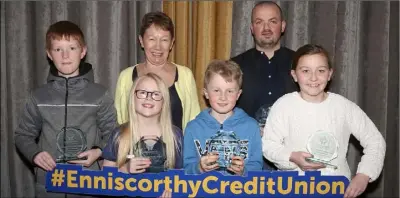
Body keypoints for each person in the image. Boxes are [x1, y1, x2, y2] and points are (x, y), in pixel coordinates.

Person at [262, 44, 386, 198]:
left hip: (335, 189)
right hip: (292, 189)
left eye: (321, 70)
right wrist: (292, 156)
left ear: (330, 74)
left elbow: (375, 141)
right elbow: (268, 145)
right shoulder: (283, 105)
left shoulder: (344, 107)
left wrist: (364, 175)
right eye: (305, 71)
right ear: (294, 75)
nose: (313, 78)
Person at [14, 21, 118, 197]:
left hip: (89, 183)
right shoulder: (38, 96)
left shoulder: (100, 94)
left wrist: (99, 152)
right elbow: (23, 136)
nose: (65, 55)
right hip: (49, 184)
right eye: (58, 50)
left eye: (71, 48)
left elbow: (114, 135)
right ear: (49, 54)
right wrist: (35, 154)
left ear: (83, 51)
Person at [115, 11, 200, 131]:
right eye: (152, 39)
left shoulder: (185, 75)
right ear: (141, 41)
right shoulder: (125, 77)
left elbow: (194, 122)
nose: (158, 47)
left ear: (171, 43)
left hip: (177, 148)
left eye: (164, 40)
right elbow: (120, 122)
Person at [102, 73, 182, 197]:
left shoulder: (176, 136)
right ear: (133, 97)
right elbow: (104, 179)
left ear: (164, 101)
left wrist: (173, 192)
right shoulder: (119, 134)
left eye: (156, 94)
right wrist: (124, 169)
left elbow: (183, 178)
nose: (148, 98)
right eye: (143, 92)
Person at [183, 60, 262, 176]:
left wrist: (243, 172)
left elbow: (257, 167)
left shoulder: (251, 126)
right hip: (203, 193)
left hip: (239, 192)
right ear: (206, 93)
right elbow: (185, 169)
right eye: (216, 90)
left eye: (229, 91)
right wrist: (199, 167)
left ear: (238, 95)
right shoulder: (193, 128)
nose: (223, 97)